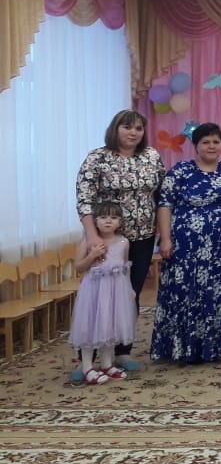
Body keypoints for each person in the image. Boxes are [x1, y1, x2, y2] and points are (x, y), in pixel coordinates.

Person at [152, 122, 221, 363]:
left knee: (220, 294)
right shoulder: (180, 171)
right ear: (195, 146)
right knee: (186, 294)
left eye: (216, 142)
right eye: (205, 142)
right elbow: (165, 205)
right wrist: (165, 239)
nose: (211, 146)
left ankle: (219, 348)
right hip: (186, 249)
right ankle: (185, 349)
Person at [75, 109, 164, 376]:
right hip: (106, 239)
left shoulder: (151, 156)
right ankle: (85, 358)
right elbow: (84, 199)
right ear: (115, 129)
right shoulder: (97, 158)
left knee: (128, 293)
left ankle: (122, 351)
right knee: (98, 296)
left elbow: (162, 196)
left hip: (142, 238)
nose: (133, 132)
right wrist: (92, 237)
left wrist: (162, 232)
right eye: (127, 127)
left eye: (138, 128)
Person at [69, 202, 136, 385]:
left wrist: (129, 289)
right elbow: (78, 268)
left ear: (120, 222)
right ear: (95, 221)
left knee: (110, 326)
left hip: (115, 291)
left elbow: (125, 268)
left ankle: (106, 364)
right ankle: (87, 367)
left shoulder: (124, 242)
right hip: (94, 291)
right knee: (90, 327)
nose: (108, 221)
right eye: (103, 217)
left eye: (113, 217)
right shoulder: (88, 242)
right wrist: (92, 255)